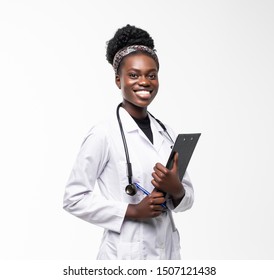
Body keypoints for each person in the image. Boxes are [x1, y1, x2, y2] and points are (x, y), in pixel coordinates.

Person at [63, 24, 194, 260]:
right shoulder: (103, 134)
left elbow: (186, 202)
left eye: (151, 75)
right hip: (123, 256)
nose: (144, 82)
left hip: (167, 254)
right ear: (118, 80)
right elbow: (74, 198)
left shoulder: (167, 133)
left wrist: (177, 190)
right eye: (134, 75)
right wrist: (132, 210)